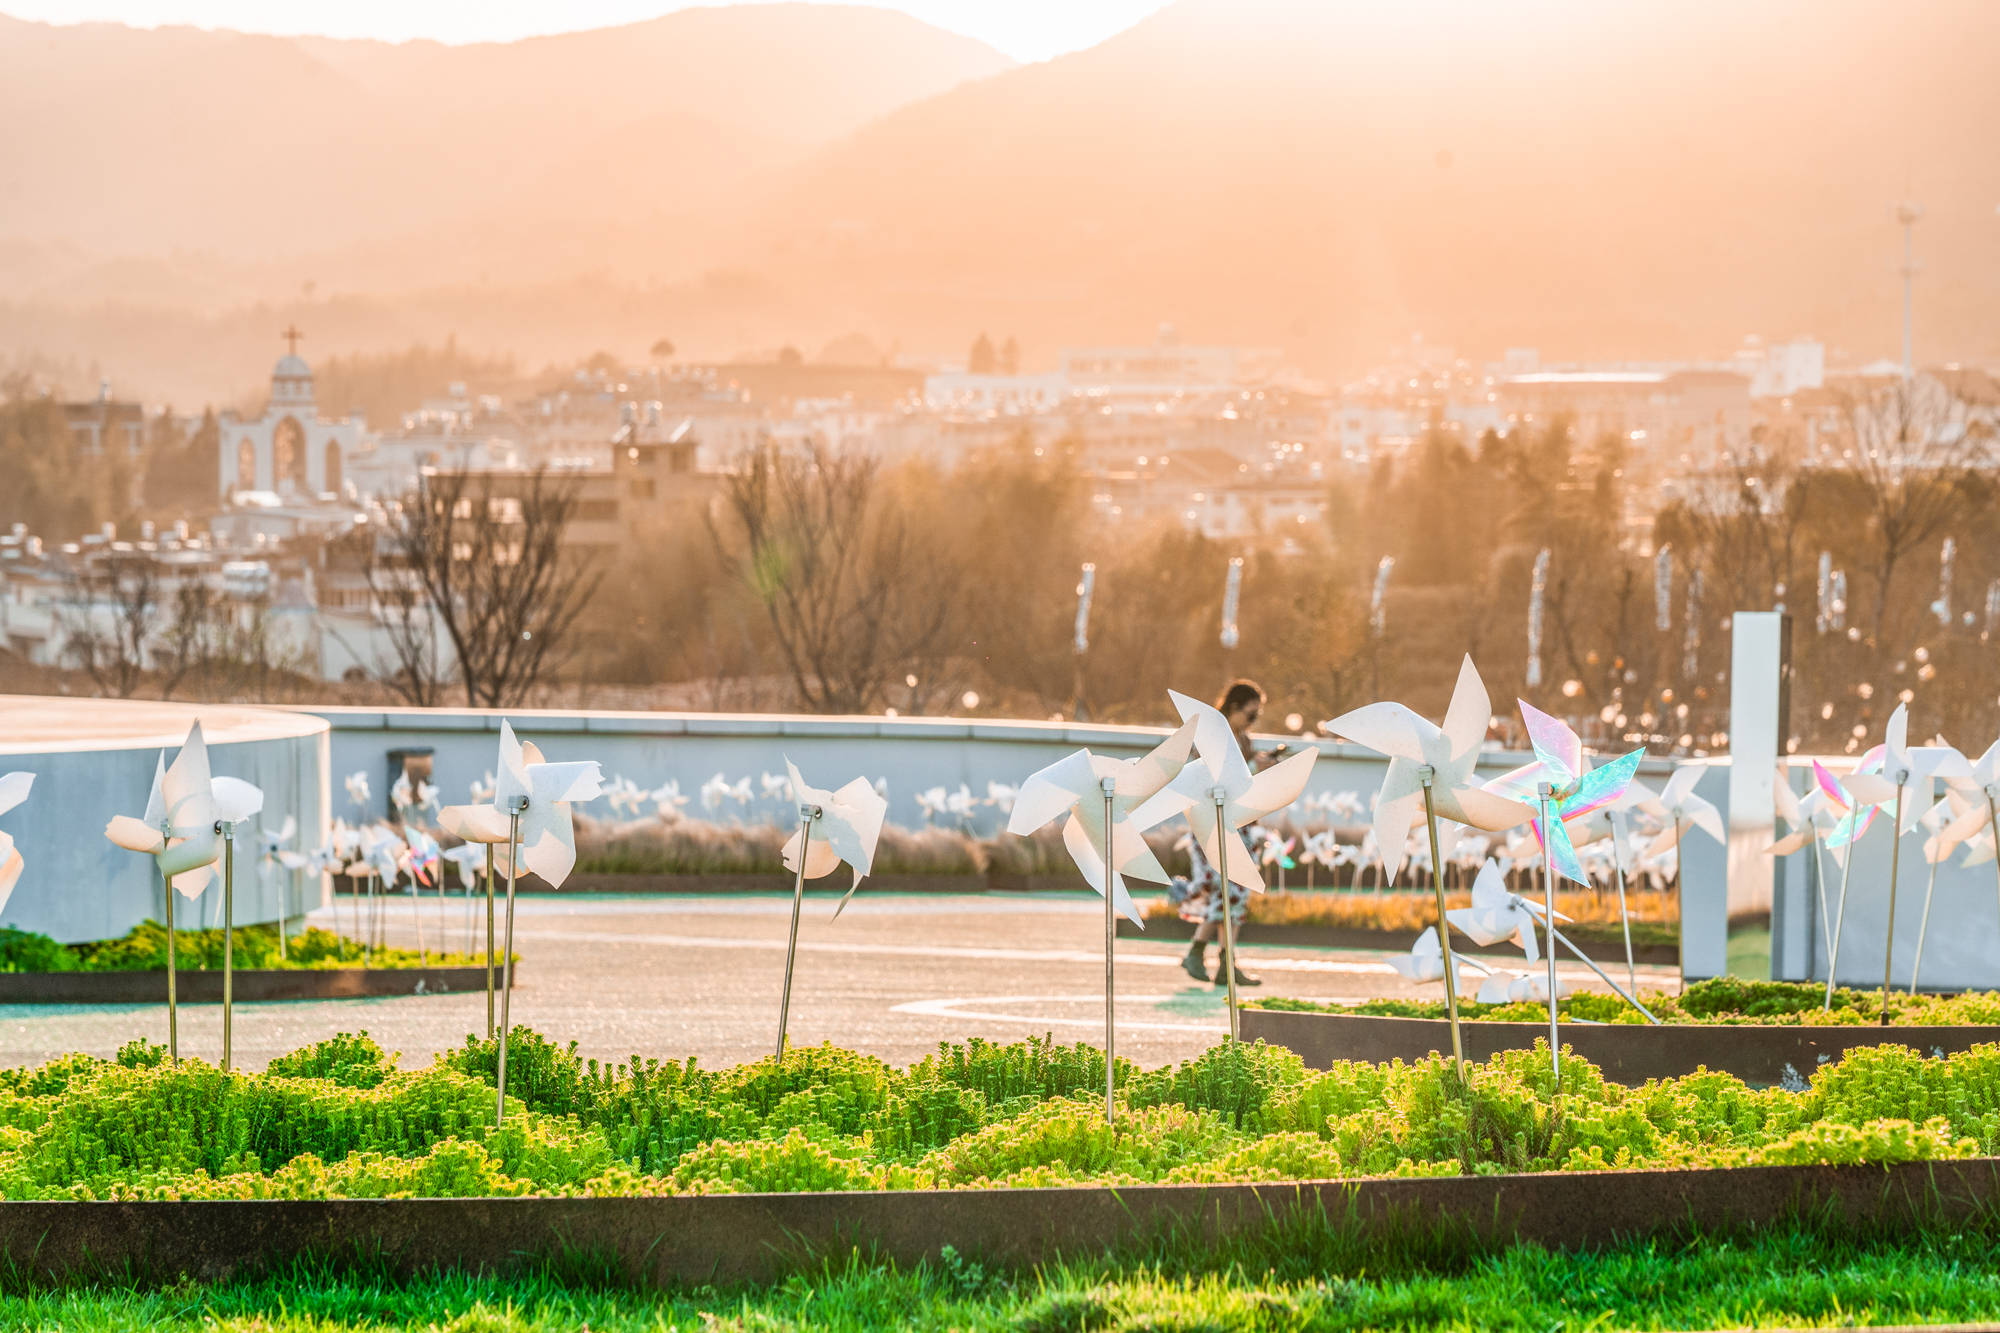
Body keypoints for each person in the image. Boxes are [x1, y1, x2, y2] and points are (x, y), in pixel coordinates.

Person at [1171, 679, 1281, 987]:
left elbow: (1243, 784)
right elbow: (1206, 778)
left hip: (1237, 822)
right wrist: (1249, 766)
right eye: (1250, 715)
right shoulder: (1209, 737)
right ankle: (1214, 960)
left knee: (1234, 893)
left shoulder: (1244, 739)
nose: (1252, 721)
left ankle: (1214, 959)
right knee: (1228, 892)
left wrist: (1260, 767)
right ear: (1233, 708)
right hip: (1210, 823)